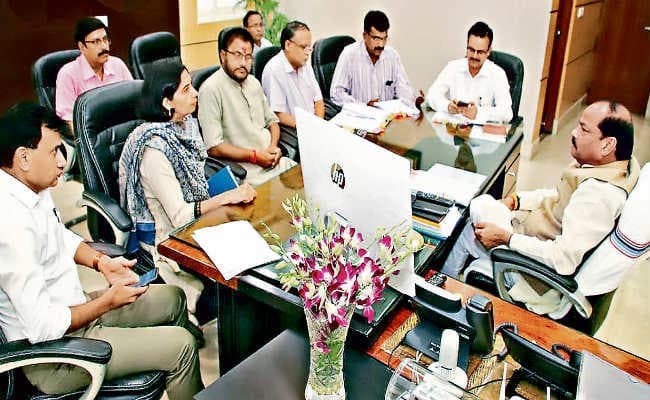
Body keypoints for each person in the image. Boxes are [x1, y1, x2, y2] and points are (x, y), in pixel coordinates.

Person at [0, 102, 203, 399]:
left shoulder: (30, 188)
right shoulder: (11, 224)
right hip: (56, 356)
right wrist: (107, 302)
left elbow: (59, 238)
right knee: (181, 346)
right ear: (24, 157)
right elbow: (43, 327)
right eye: (54, 152)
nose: (62, 162)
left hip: (74, 309)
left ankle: (178, 381)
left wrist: (101, 262)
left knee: (174, 297)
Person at [442, 101, 640, 317]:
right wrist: (516, 200)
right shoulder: (609, 169)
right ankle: (443, 287)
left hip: (532, 277)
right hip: (533, 239)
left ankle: (441, 292)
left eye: (584, 129)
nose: (573, 132)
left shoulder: (597, 196)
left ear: (608, 145)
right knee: (478, 217)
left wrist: (506, 238)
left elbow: (563, 260)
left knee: (476, 213)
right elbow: (558, 195)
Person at [119, 61, 256, 318]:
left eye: (192, 85)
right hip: (171, 241)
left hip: (197, 222)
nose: (195, 93)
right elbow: (180, 216)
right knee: (243, 282)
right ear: (166, 102)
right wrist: (227, 197)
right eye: (185, 89)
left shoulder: (185, 127)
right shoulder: (154, 150)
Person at [198, 27, 296, 186]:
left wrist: (273, 147)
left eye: (248, 56)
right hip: (247, 174)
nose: (243, 63)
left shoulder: (253, 83)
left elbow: (272, 122)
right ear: (223, 55)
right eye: (237, 55)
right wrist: (255, 156)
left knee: (309, 187)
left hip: (275, 162)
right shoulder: (211, 89)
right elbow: (214, 147)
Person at [426, 21, 512, 123]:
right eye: (471, 50)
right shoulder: (453, 67)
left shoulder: (498, 74)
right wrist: (448, 106)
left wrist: (478, 113)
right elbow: (431, 95)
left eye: (480, 52)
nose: (474, 56)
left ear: (488, 51)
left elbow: (507, 113)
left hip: (479, 131)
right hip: (453, 129)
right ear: (467, 45)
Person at [56, 17, 133, 127]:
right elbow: (69, 122)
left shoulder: (118, 65)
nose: (104, 46)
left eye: (105, 39)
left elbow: (135, 102)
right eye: (96, 42)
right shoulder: (68, 74)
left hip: (123, 130)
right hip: (90, 134)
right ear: (82, 47)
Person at [330, 10, 416, 107]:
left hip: (387, 114)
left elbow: (404, 90)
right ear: (365, 36)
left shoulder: (392, 55)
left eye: (384, 38)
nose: (381, 44)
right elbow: (337, 94)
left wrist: (413, 102)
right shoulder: (349, 55)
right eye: (376, 38)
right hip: (359, 114)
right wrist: (364, 106)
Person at [261, 20, 324, 128]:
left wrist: (319, 124)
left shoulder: (305, 64)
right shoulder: (273, 70)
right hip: (293, 128)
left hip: (313, 124)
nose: (307, 53)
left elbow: (318, 100)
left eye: (309, 48)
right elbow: (277, 114)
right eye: (303, 47)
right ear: (288, 45)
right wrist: (307, 127)